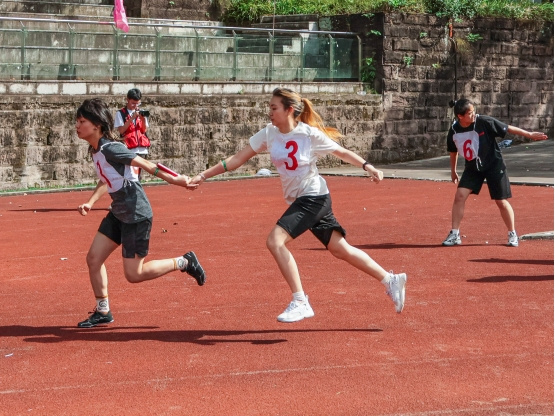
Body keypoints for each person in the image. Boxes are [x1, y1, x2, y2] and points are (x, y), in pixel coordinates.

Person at [190, 87, 407, 323]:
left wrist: (368, 166)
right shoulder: (269, 134)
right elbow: (236, 159)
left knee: (275, 241)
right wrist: (203, 175)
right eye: (270, 107)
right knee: (339, 249)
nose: (269, 112)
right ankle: (390, 279)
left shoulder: (308, 134)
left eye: (274, 108)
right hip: (307, 199)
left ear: (289, 110)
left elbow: (341, 152)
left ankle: (300, 300)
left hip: (313, 196)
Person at [75, 98, 205, 328]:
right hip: (119, 213)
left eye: (82, 121)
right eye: (77, 121)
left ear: (96, 125)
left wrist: (178, 180)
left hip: (136, 214)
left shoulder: (111, 148)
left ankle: (184, 262)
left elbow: (148, 165)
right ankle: (103, 310)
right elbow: (108, 179)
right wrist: (90, 202)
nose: (77, 125)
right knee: (94, 259)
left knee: (134, 274)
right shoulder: (95, 150)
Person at [442, 98, 548, 247]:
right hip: (473, 167)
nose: (474, 114)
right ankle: (455, 234)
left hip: (493, 164)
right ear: (460, 116)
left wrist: (529, 135)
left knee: (501, 201)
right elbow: (453, 152)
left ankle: (512, 234)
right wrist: (453, 171)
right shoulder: (454, 130)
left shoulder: (483, 122)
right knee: (459, 196)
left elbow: (507, 128)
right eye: (470, 113)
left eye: (474, 111)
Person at [114, 88, 151, 178]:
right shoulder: (120, 113)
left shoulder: (141, 112)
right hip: (129, 149)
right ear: (127, 100)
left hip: (142, 149)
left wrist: (142, 120)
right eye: (133, 103)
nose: (135, 105)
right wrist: (131, 118)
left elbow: (144, 130)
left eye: (137, 103)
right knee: (130, 175)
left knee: (138, 176)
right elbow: (121, 130)